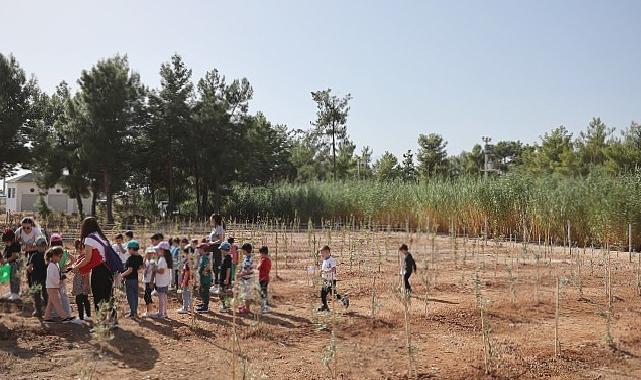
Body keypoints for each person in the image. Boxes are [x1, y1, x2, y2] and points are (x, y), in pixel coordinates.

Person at [73, 217, 115, 327]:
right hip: (108, 268)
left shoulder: (89, 239)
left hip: (99, 270)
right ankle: (112, 322)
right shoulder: (102, 237)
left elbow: (87, 258)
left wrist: (76, 267)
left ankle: (102, 325)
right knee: (108, 296)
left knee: (98, 297)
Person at [43, 247, 74, 323]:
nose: (60, 258)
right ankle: (64, 317)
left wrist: (61, 277)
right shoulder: (51, 266)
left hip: (53, 287)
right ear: (53, 256)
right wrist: (59, 280)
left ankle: (46, 317)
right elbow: (52, 278)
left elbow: (56, 276)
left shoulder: (55, 265)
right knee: (57, 303)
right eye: (59, 256)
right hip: (52, 287)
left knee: (51, 303)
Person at [318, 245, 349, 312]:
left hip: (331, 280)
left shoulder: (332, 260)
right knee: (323, 294)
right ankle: (325, 306)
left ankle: (344, 299)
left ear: (327, 252)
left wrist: (326, 272)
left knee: (333, 294)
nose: (321, 254)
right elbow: (324, 269)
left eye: (322, 253)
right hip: (326, 280)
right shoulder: (324, 260)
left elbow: (333, 269)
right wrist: (321, 273)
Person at [49, 233, 72, 316]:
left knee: (54, 294)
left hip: (53, 275)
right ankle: (67, 312)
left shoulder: (51, 253)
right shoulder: (65, 252)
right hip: (61, 275)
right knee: (63, 294)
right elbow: (73, 259)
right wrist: (66, 266)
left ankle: (56, 313)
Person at [121, 240, 143, 318]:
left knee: (130, 296)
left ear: (131, 249)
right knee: (135, 295)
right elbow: (140, 268)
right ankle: (134, 312)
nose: (128, 250)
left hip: (129, 280)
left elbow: (129, 270)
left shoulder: (130, 258)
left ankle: (133, 313)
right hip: (135, 279)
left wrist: (122, 275)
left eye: (128, 249)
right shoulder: (140, 257)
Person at [27, 236, 48, 317]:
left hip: (37, 278)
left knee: (38, 294)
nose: (41, 247)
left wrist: (30, 271)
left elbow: (29, 268)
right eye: (40, 246)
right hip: (43, 278)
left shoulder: (34, 255)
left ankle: (39, 311)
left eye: (42, 246)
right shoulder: (47, 255)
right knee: (43, 294)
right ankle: (45, 310)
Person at [72, 239, 91, 321]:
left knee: (80, 299)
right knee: (83, 298)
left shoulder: (85, 258)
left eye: (81, 248)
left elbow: (87, 272)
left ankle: (82, 317)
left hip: (82, 281)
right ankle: (86, 315)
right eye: (78, 248)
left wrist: (86, 283)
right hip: (78, 280)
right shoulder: (80, 257)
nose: (80, 250)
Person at [153, 241, 172, 319]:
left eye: (159, 249)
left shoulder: (162, 259)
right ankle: (164, 312)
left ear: (162, 250)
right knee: (164, 297)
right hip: (165, 281)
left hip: (161, 282)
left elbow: (161, 271)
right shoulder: (167, 259)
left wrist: (154, 269)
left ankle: (161, 314)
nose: (157, 251)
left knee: (161, 298)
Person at [2, 229, 22, 301]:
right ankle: (12, 292)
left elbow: (14, 256)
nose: (6, 244)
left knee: (15, 278)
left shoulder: (16, 245)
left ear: (13, 239)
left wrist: (5, 261)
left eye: (7, 242)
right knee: (11, 278)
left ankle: (16, 293)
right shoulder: (8, 245)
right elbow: (5, 253)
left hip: (15, 264)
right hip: (10, 264)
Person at [208, 214, 225, 291]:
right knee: (214, 266)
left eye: (211, 219)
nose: (210, 221)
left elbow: (221, 240)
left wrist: (212, 243)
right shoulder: (214, 228)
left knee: (217, 266)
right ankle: (215, 284)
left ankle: (218, 286)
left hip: (218, 249)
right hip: (214, 249)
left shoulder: (219, 227)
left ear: (214, 220)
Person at [237, 243, 255, 314]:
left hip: (248, 279)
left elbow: (247, 271)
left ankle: (247, 309)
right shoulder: (247, 257)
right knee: (245, 294)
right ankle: (245, 307)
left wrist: (240, 275)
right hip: (245, 279)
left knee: (247, 295)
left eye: (242, 250)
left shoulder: (248, 259)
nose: (242, 251)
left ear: (245, 250)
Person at [196, 245, 212, 314]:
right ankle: (204, 303)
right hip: (203, 278)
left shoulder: (205, 257)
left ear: (203, 249)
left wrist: (204, 273)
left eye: (199, 249)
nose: (198, 250)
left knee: (204, 292)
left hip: (205, 279)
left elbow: (207, 267)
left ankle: (205, 306)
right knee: (201, 291)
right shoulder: (202, 257)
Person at [141, 247, 157, 318]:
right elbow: (143, 267)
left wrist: (151, 281)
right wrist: (144, 257)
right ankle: (149, 311)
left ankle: (150, 311)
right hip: (146, 280)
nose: (150, 255)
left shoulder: (153, 262)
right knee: (147, 296)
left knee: (147, 296)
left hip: (150, 281)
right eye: (148, 253)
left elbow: (154, 273)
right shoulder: (147, 261)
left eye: (151, 253)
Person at [218, 242, 233, 313]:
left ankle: (225, 307)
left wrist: (227, 279)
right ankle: (225, 306)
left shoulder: (228, 258)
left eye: (221, 249)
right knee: (224, 293)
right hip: (223, 278)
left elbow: (228, 269)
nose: (221, 251)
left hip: (224, 279)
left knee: (222, 293)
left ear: (224, 250)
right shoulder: (226, 258)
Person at [176, 248, 192, 314]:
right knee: (189, 294)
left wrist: (183, 282)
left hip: (187, 282)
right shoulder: (192, 261)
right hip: (190, 281)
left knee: (185, 294)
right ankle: (190, 307)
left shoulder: (187, 262)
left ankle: (185, 308)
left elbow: (187, 273)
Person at [257, 246, 272, 314]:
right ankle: (266, 304)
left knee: (262, 292)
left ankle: (264, 307)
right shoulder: (269, 259)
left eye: (260, 253)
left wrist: (259, 263)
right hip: (266, 277)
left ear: (262, 253)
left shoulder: (263, 260)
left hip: (262, 278)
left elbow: (258, 267)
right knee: (264, 291)